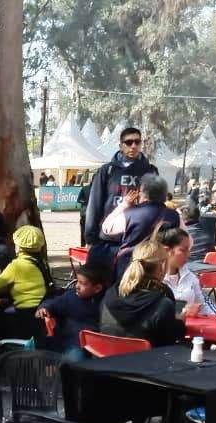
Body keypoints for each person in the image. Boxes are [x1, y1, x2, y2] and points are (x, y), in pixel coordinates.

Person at [82, 126, 160, 256]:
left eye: (137, 142)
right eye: (129, 142)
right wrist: (90, 238)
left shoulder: (151, 171)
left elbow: (157, 205)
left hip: (140, 240)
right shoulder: (107, 171)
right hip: (109, 239)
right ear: (121, 145)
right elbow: (94, 205)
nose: (133, 146)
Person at [100, 238, 185, 346]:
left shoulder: (109, 294)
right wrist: (180, 322)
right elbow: (169, 343)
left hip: (107, 358)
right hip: (147, 360)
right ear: (161, 266)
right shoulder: (162, 304)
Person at [0, 226, 52, 357]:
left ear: (19, 247)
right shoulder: (42, 262)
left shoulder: (17, 265)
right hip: (41, 311)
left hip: (24, 315)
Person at [36, 261, 108, 361]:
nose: (77, 286)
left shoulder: (106, 301)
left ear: (97, 288)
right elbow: (54, 303)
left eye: (82, 283)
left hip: (99, 345)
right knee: (74, 360)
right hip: (75, 344)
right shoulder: (71, 297)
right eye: (77, 281)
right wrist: (44, 308)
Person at [118, 176, 180, 271]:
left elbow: (106, 229)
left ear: (144, 194)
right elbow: (186, 241)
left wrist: (124, 205)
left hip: (130, 265)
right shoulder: (174, 215)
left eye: (140, 192)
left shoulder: (130, 213)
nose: (138, 194)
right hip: (159, 266)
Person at [158, 227, 216, 317]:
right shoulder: (153, 280)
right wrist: (183, 311)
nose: (188, 254)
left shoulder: (190, 277)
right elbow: (151, 313)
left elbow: (204, 305)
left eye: (188, 250)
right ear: (167, 250)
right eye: (183, 250)